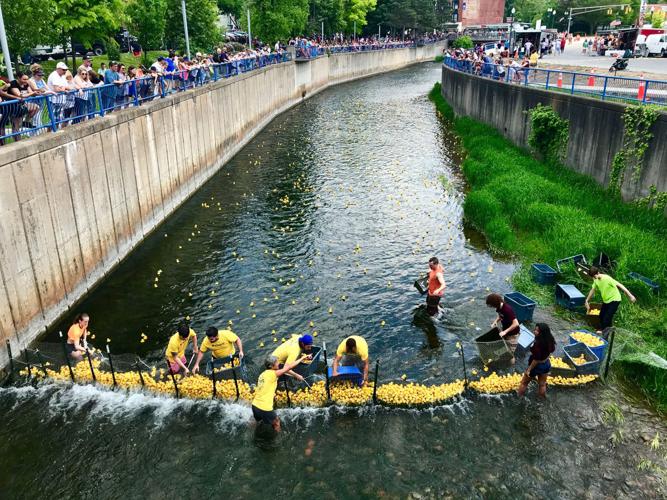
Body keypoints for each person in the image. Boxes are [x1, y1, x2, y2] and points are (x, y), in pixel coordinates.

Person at [252, 354, 307, 432]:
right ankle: (277, 440)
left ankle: (252, 431)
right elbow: (288, 367)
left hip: (255, 405)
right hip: (265, 408)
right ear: (271, 366)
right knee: (277, 422)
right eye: (276, 362)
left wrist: (295, 375)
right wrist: (302, 358)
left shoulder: (263, 374)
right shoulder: (273, 374)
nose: (278, 363)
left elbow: (284, 369)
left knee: (258, 421)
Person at [585, 266, 636, 333]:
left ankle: (604, 334)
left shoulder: (607, 278)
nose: (594, 278)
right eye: (593, 277)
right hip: (606, 300)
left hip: (615, 299)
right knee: (601, 315)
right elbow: (592, 290)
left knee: (607, 318)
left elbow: (620, 285)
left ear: (598, 273)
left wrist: (630, 296)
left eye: (595, 276)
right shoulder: (595, 280)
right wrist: (587, 300)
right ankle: (607, 329)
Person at [517, 323, 555, 398]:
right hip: (546, 364)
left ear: (542, 333)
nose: (535, 331)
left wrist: (529, 370)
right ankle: (541, 398)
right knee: (542, 384)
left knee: (524, 383)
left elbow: (536, 359)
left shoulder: (537, 344)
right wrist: (545, 359)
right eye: (535, 329)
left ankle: (518, 397)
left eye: (537, 331)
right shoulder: (550, 340)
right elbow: (552, 350)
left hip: (536, 366)